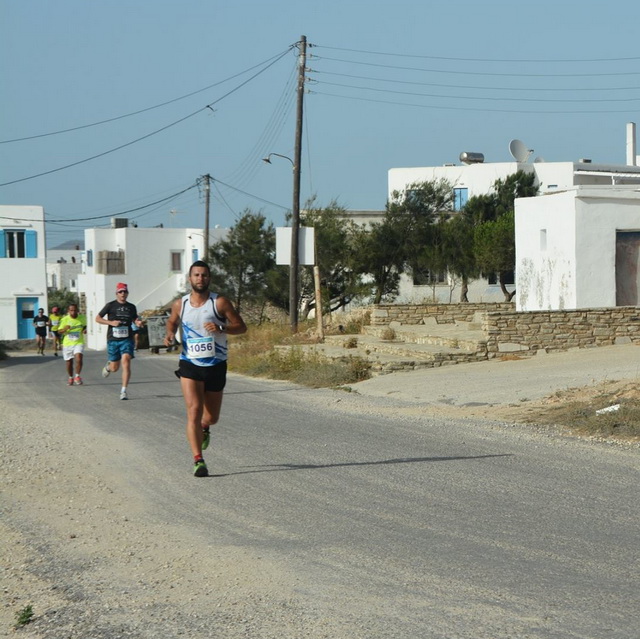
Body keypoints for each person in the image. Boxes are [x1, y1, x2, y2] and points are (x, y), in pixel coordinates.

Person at [164, 261, 247, 477]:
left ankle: (205, 426)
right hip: (189, 363)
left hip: (215, 364)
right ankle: (198, 460)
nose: (200, 278)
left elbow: (241, 327)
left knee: (211, 417)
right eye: (196, 275)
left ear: (209, 278)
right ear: (190, 279)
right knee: (193, 410)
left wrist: (221, 327)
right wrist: (170, 333)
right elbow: (172, 322)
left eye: (204, 275)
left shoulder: (219, 303)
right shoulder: (180, 304)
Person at [96, 283, 143, 400]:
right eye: (120, 292)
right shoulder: (110, 305)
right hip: (113, 339)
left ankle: (123, 391)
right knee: (114, 368)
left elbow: (135, 318)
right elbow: (97, 318)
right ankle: (108, 367)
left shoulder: (131, 307)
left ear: (127, 293)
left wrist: (137, 322)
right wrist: (111, 323)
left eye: (125, 292)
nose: (123, 294)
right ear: (116, 293)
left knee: (126, 361)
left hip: (127, 339)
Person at [58, 303, 87, 385]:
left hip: (78, 342)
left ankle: (77, 376)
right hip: (68, 343)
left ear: (77, 310)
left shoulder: (82, 318)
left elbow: (84, 326)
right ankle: (71, 377)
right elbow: (59, 331)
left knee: (79, 358)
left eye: (75, 310)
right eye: (71, 310)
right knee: (69, 362)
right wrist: (64, 329)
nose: (73, 312)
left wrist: (84, 330)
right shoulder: (65, 319)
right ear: (68, 311)